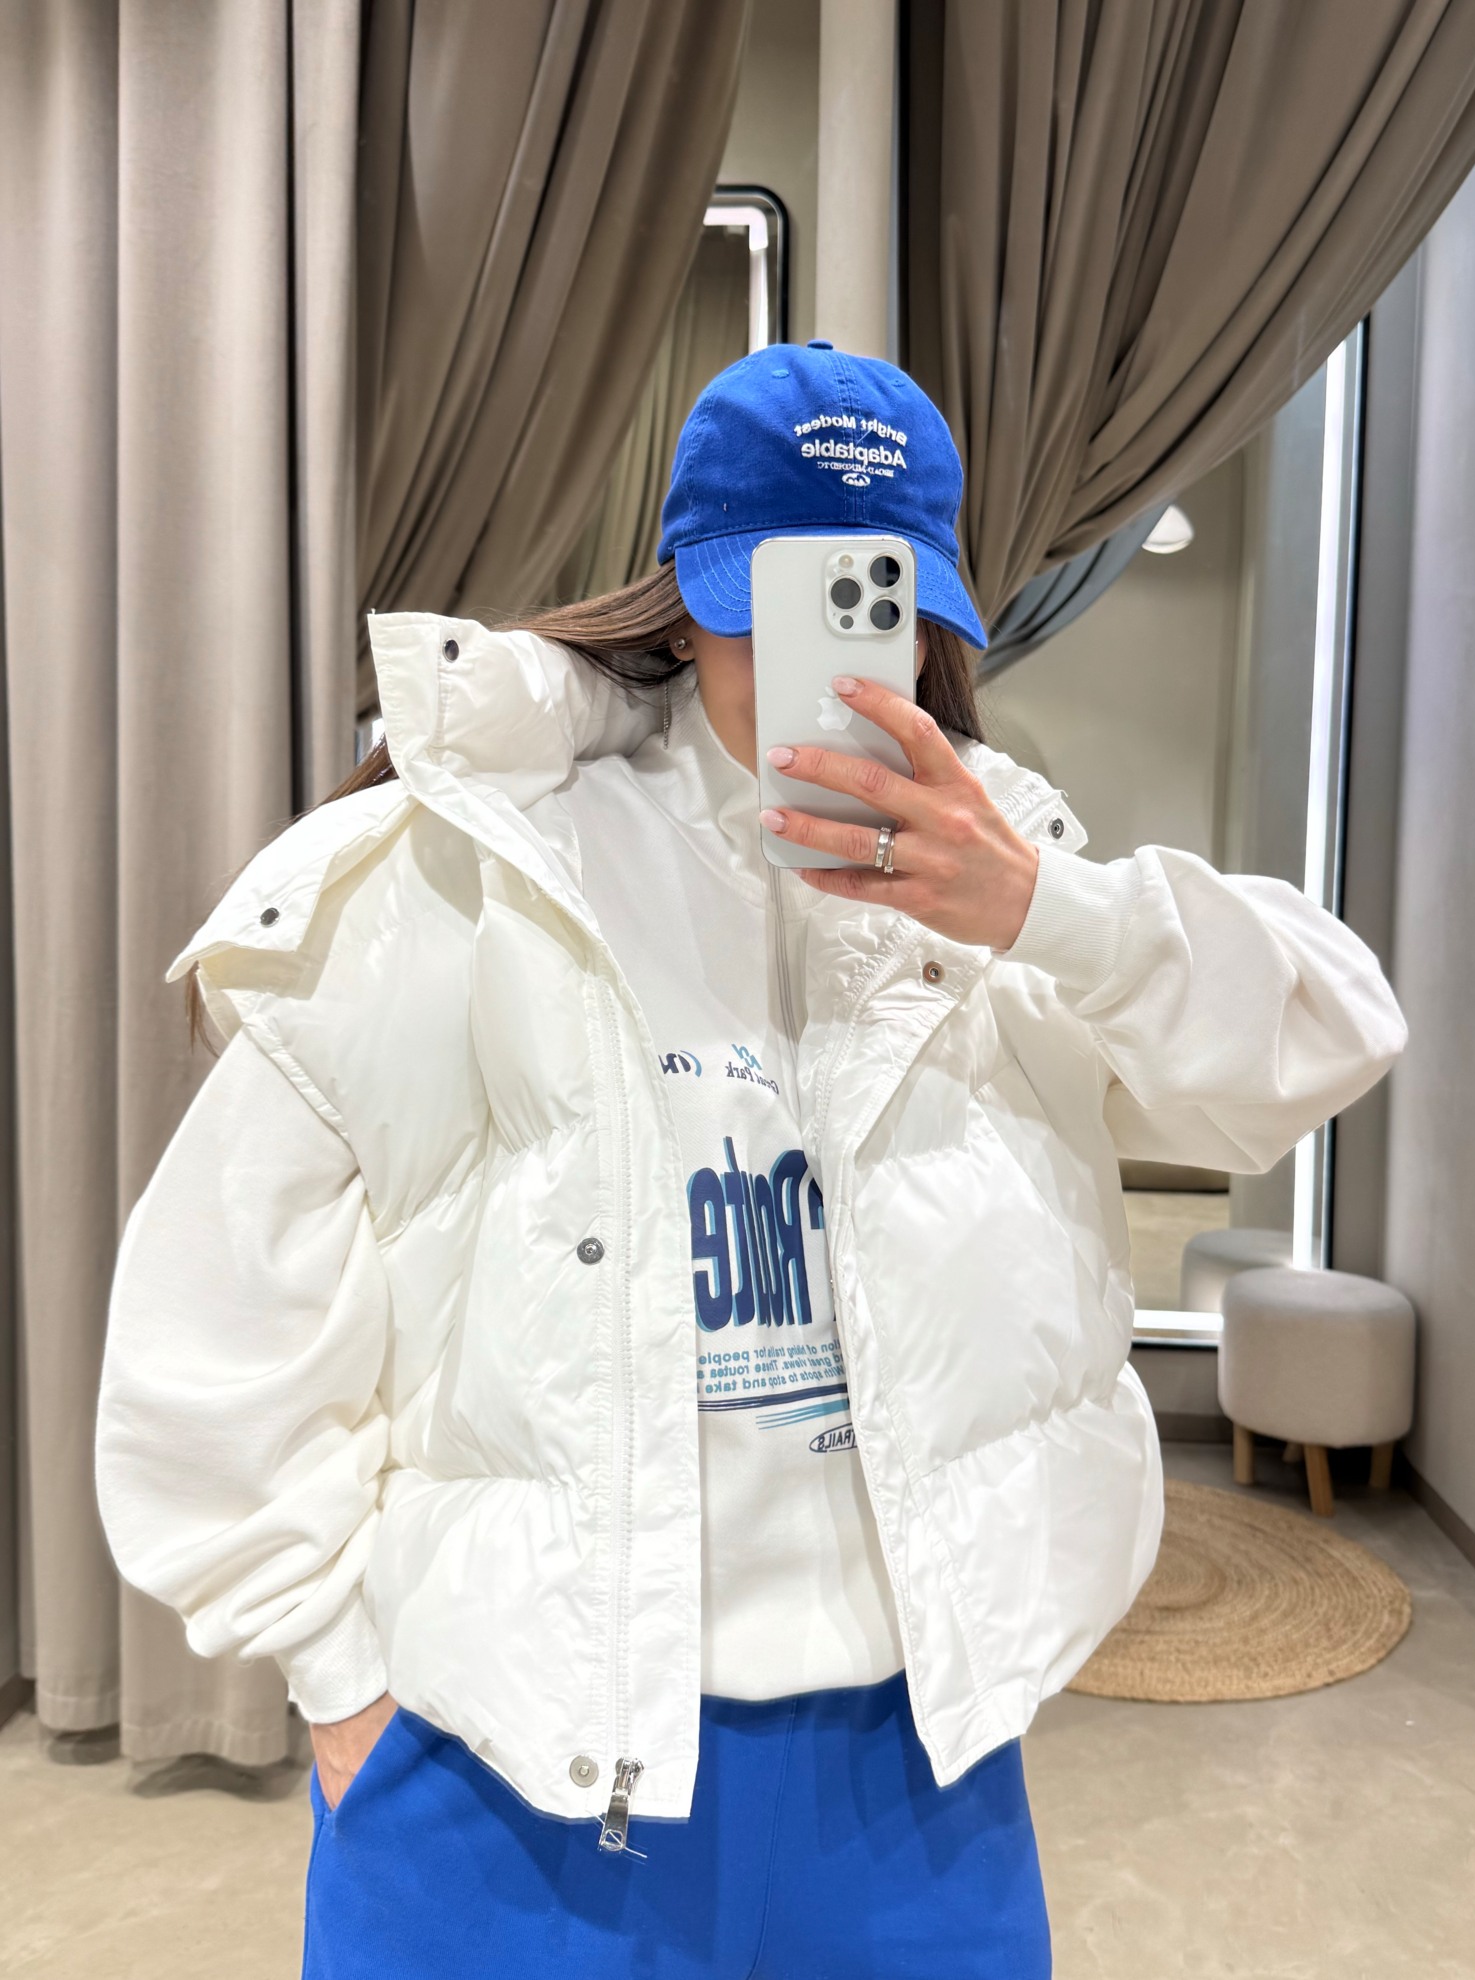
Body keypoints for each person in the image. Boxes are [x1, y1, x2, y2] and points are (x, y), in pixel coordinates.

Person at [94, 339, 1406, 1979]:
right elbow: (223, 1304)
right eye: (758, 607)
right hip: (503, 1756)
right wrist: (332, 1670)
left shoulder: (999, 868)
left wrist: (1037, 910)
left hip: (906, 1770)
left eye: (861, 606)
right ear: (681, 599)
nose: (803, 663)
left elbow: (1327, 1035)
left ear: (925, 614)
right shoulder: (471, 861)